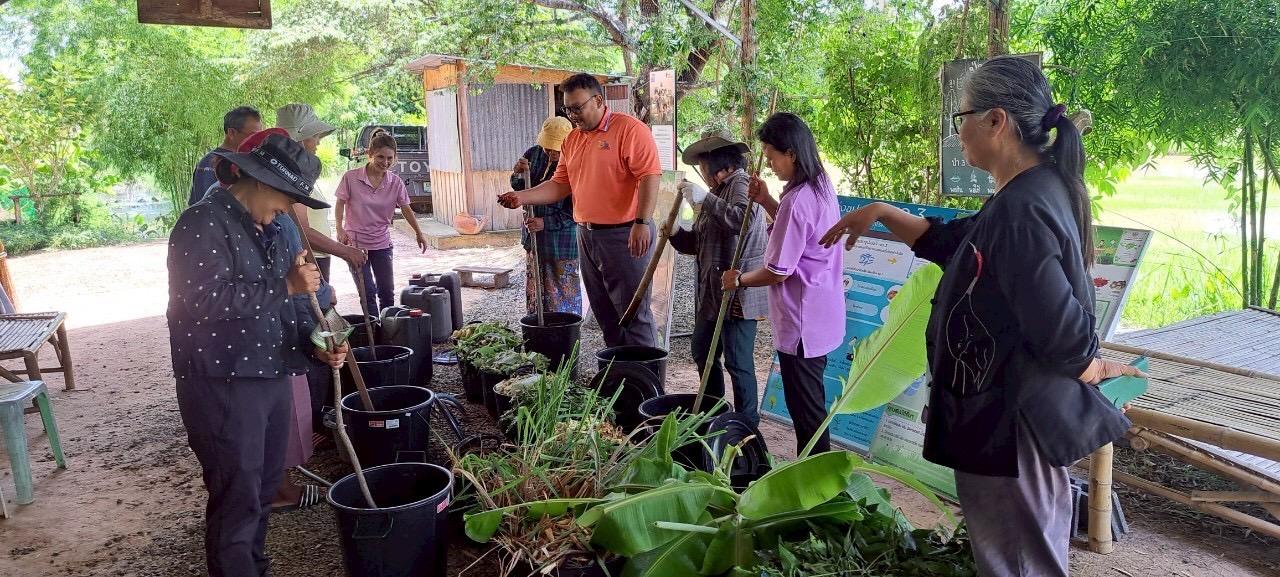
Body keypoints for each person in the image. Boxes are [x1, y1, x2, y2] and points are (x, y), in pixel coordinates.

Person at [818, 56, 1137, 577]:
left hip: (1013, 420)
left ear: (996, 121)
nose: (958, 130)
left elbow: (1062, 329)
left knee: (1016, 560)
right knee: (1022, 551)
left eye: (959, 117)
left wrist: (1093, 367)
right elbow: (956, 242)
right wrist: (880, 212)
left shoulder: (1022, 207)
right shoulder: (1023, 195)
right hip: (1005, 414)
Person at [168, 131, 348, 577]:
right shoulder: (202, 222)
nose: (287, 209)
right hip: (222, 382)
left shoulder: (275, 226)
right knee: (237, 497)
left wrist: (318, 344)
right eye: (286, 198)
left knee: (264, 489)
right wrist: (284, 284)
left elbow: (292, 305)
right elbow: (202, 300)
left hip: (270, 374)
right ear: (261, 181)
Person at [498, 73, 662, 347]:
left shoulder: (629, 129)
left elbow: (650, 176)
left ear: (598, 100)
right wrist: (521, 196)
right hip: (586, 235)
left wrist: (642, 222)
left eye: (577, 107)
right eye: (567, 109)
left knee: (633, 315)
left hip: (625, 234)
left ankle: (645, 383)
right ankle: (619, 378)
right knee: (605, 315)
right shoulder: (572, 140)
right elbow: (560, 185)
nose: (572, 115)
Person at [721, 112, 843, 455]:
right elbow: (798, 230)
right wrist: (764, 201)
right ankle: (814, 470)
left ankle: (815, 476)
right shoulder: (820, 184)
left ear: (790, 153)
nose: (771, 165)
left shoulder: (797, 199)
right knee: (811, 402)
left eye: (772, 156)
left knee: (807, 410)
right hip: (821, 314)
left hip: (802, 319)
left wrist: (739, 279)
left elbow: (778, 270)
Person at [667, 129, 768, 425]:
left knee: (738, 362)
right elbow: (699, 242)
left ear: (716, 163)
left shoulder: (741, 184)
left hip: (737, 291)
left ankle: (747, 425)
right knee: (702, 349)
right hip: (712, 291)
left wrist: (705, 199)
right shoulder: (718, 191)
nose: (701, 171)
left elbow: (742, 219)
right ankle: (714, 413)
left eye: (702, 165)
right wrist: (675, 233)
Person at [334, 128, 428, 314]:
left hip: (382, 244)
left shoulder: (395, 182)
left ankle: (388, 332)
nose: (385, 162)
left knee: (386, 292)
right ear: (370, 154)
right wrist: (339, 228)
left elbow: (406, 209)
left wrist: (419, 233)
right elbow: (340, 203)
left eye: (389, 158)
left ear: (395, 158)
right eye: (380, 157)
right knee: (367, 292)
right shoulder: (351, 178)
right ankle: (373, 334)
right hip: (355, 244)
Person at [276, 102, 367, 280]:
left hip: (317, 256)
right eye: (315, 136)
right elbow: (301, 231)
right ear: (300, 139)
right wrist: (345, 251)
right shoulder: (289, 176)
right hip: (308, 259)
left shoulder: (299, 172)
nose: (318, 142)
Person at [511, 116, 582, 316]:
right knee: (537, 291)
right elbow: (520, 188)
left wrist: (545, 222)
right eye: (547, 147)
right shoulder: (533, 154)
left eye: (555, 149)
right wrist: (518, 174)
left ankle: (564, 336)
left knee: (561, 292)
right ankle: (538, 332)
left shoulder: (576, 161)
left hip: (562, 243)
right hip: (534, 237)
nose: (550, 152)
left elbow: (577, 210)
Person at [189, 106, 262, 207]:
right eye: (252, 136)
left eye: (260, 136)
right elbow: (206, 206)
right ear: (232, 133)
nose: (257, 141)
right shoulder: (210, 164)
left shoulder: (247, 160)